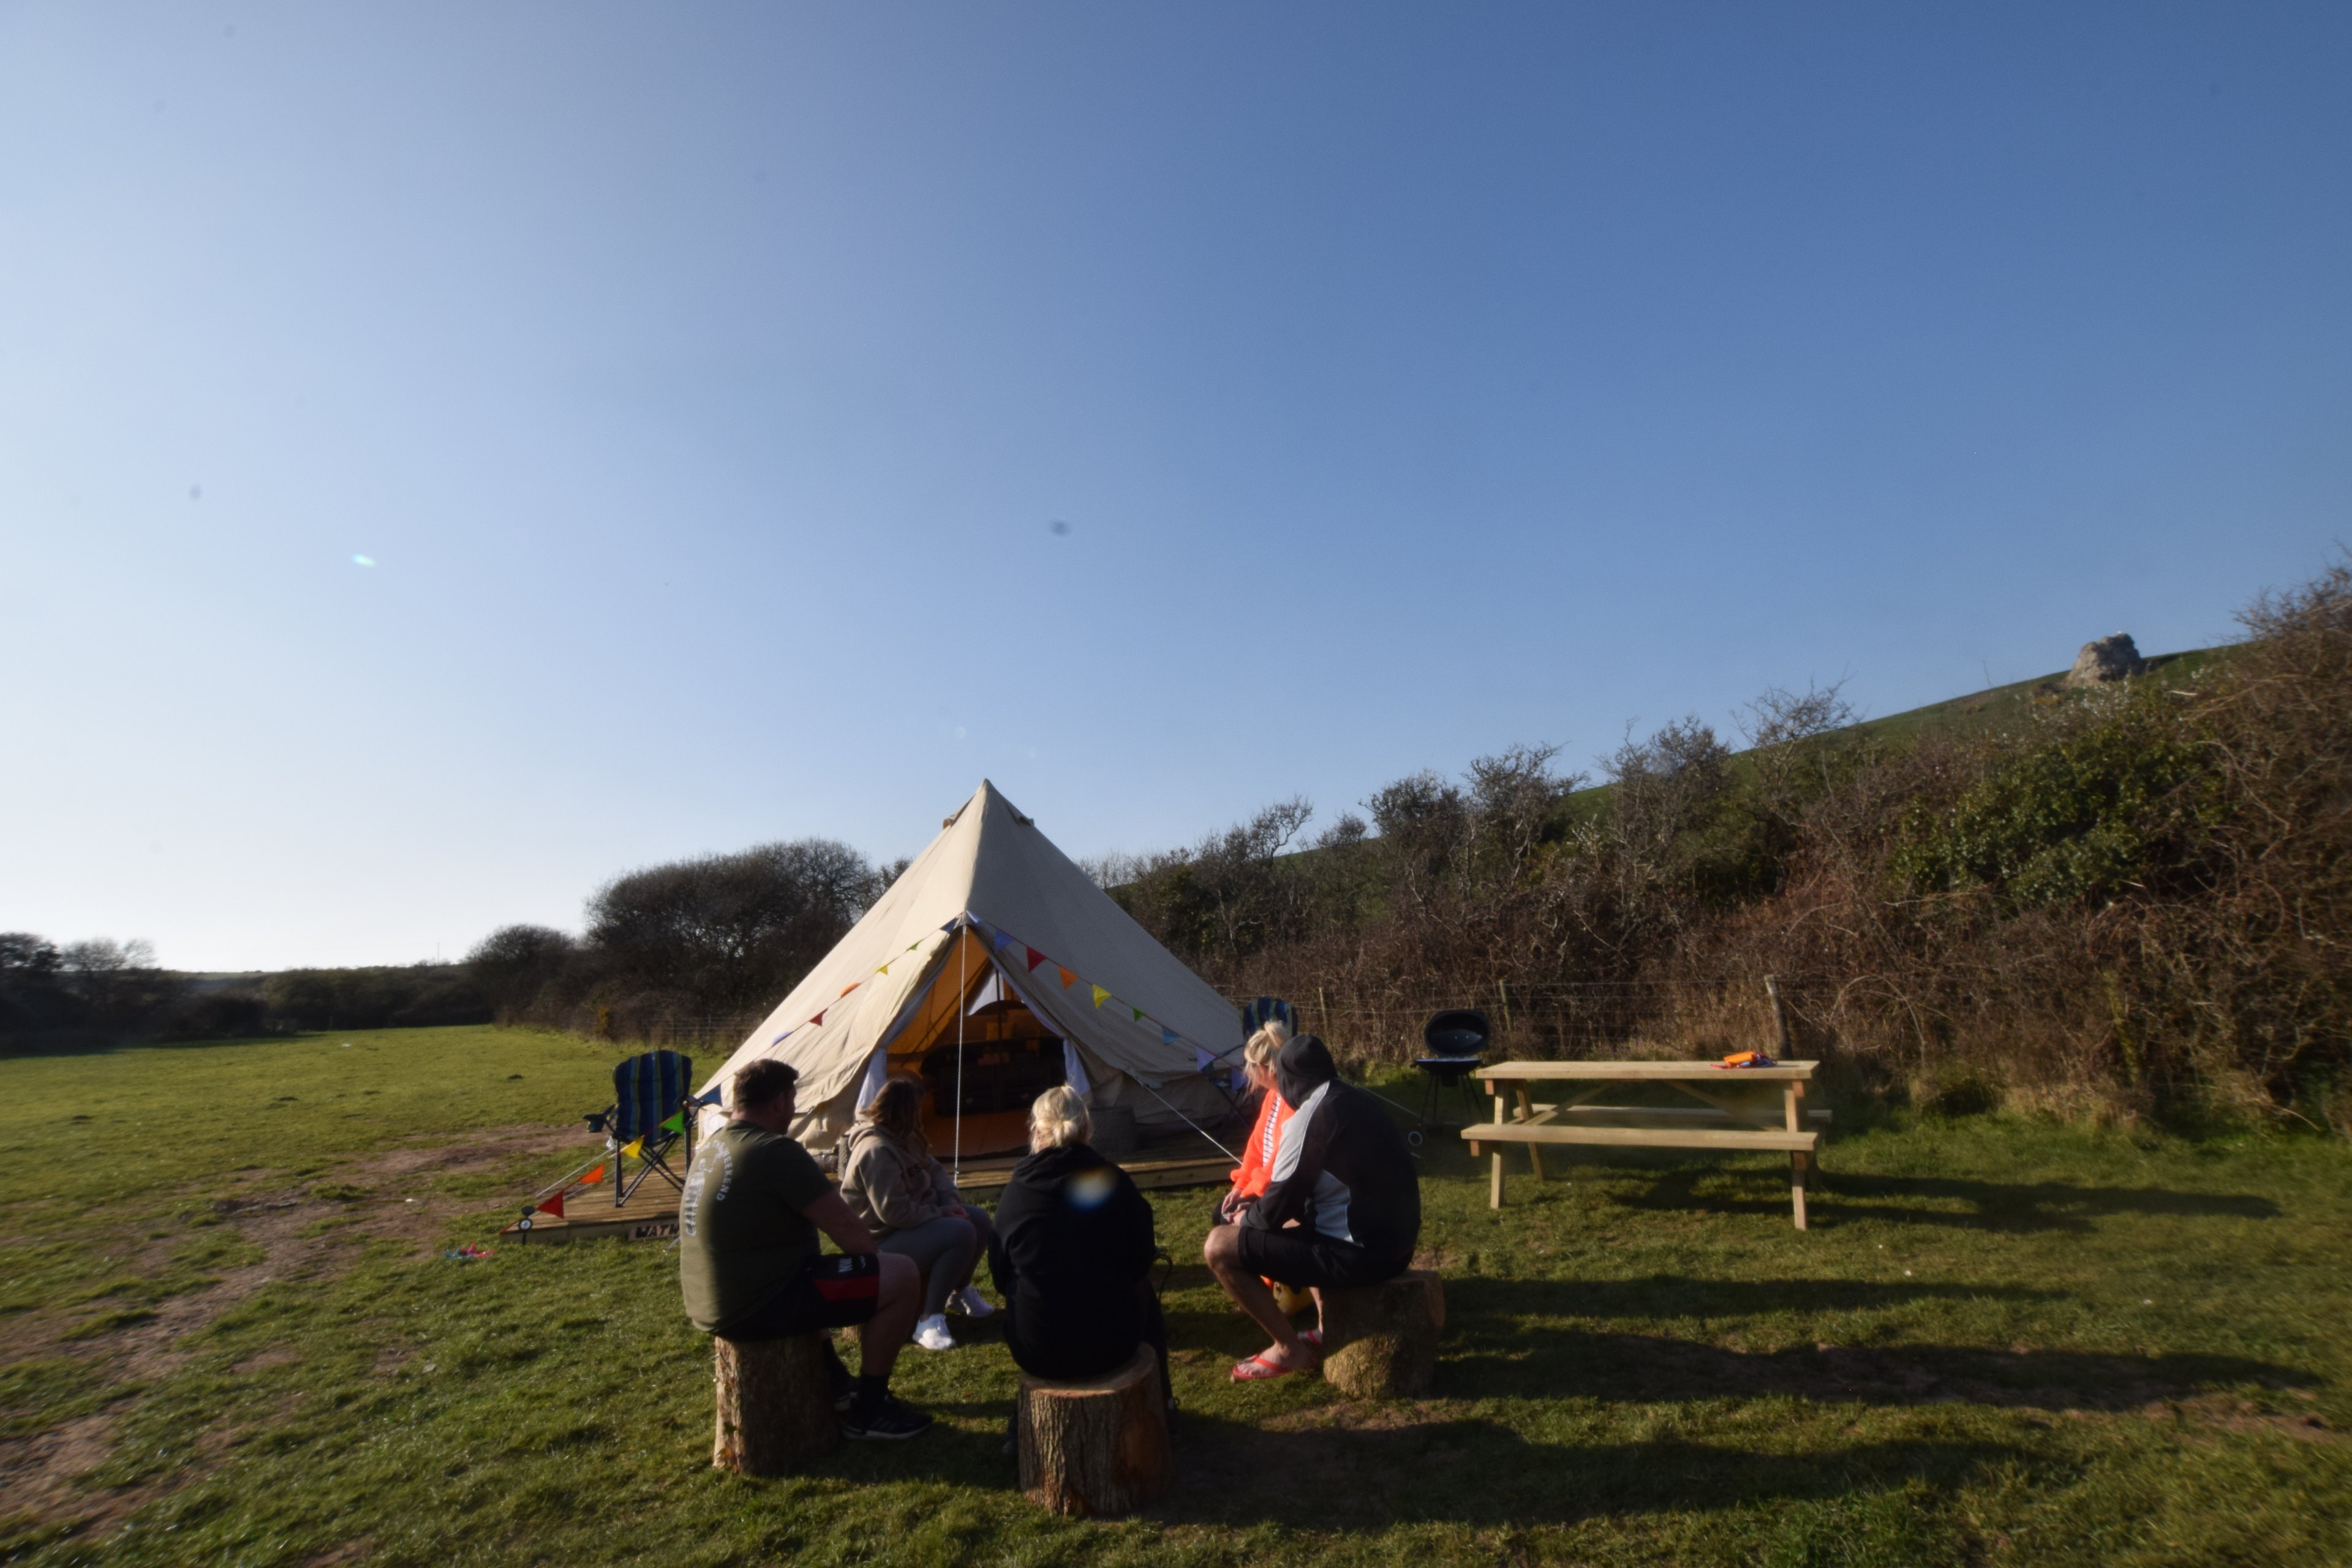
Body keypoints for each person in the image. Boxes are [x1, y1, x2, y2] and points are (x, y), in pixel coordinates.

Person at [677, 1058, 932, 1441]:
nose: (794, 1110)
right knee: (900, 1274)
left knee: (811, 1270)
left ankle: (834, 1381)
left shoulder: (713, 1148)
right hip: (754, 1304)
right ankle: (871, 1408)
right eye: (793, 1100)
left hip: (709, 1302)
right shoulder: (775, 1150)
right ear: (779, 1101)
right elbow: (854, 1238)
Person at [1204, 1032, 1421, 1381]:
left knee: (1219, 1246)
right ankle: (1325, 1325)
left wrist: (1245, 1218)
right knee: (1297, 1220)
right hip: (1398, 1246)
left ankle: (1289, 1351)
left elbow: (1273, 1209)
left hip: (1364, 1256)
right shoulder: (1354, 1100)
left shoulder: (1309, 1119)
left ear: (1286, 1076)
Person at [988, 1084, 1172, 1410]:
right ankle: (1164, 1404)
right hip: (1111, 1344)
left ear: (1037, 1131)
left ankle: (1020, 1422)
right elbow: (1141, 1259)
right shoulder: (1111, 1181)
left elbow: (1000, 1276)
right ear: (1087, 1127)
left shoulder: (1017, 1194)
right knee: (1144, 1292)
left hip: (1037, 1349)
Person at [836, 1075, 997, 1352]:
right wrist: (943, 1212)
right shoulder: (875, 1151)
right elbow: (894, 1212)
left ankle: (959, 1292)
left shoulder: (905, 1138)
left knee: (979, 1220)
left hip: (912, 1223)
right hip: (881, 1242)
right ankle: (929, 1319)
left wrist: (950, 1200)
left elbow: (934, 1170)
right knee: (960, 1232)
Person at [1219, 1019, 1295, 1221]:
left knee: (1224, 1216)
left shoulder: (1293, 1105)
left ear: (1265, 1068)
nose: (1249, 1071)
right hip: (1262, 1186)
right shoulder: (1273, 1096)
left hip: (1278, 1192)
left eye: (1251, 1066)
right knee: (1221, 1211)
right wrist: (1241, 1184)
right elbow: (1257, 1145)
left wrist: (1247, 1193)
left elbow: (1276, 1167)